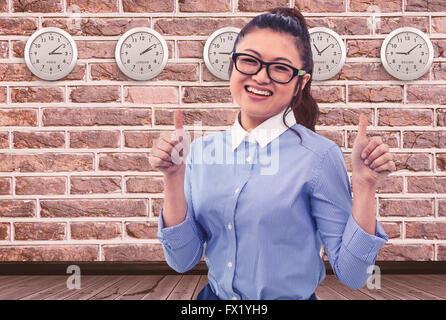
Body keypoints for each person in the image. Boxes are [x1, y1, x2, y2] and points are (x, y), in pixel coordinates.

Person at [150, 7, 395, 300]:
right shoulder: (202, 152)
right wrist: (173, 178)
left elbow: (353, 274)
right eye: (249, 61)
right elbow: (182, 260)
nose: (261, 77)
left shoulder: (318, 157)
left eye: (280, 68)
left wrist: (365, 186)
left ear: (300, 83)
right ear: (232, 66)